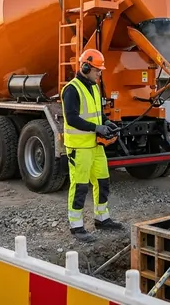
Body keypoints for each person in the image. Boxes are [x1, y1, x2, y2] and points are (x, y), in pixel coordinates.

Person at [61, 48, 124, 242]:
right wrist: (96, 128)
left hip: (95, 146)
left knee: (103, 181)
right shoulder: (72, 89)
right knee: (80, 186)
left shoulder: (94, 87)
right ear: (86, 67)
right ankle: (76, 226)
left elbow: (97, 113)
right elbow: (71, 119)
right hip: (79, 147)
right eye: (97, 70)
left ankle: (102, 218)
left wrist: (105, 122)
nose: (100, 73)